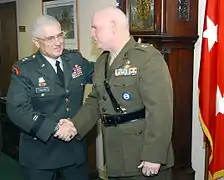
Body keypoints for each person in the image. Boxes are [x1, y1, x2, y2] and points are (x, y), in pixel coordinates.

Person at [60, 6, 174, 180]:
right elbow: (96, 99)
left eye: (95, 28)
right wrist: (75, 125)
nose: (92, 33)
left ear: (113, 27)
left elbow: (161, 110)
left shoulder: (147, 58)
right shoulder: (102, 61)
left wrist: (154, 154)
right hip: (116, 157)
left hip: (143, 157)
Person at [6, 15, 94, 180]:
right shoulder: (25, 69)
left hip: (74, 152)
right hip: (40, 155)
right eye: (50, 38)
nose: (58, 42)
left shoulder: (75, 60)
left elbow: (101, 73)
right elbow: (17, 109)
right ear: (36, 42)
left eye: (60, 35)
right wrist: (54, 128)